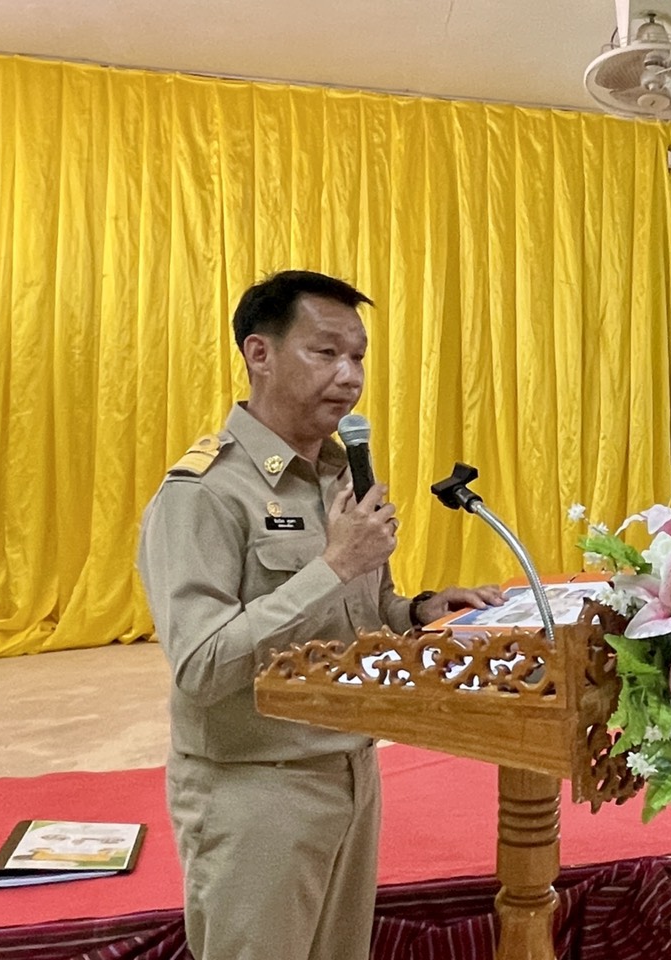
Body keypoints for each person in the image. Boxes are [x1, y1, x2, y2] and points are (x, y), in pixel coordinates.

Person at [137, 270, 505, 960]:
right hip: (256, 789)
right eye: (326, 352)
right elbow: (201, 665)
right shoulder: (204, 493)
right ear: (259, 353)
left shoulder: (342, 473)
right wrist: (332, 564)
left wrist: (417, 611)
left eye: (358, 356)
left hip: (351, 770)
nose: (349, 375)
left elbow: (356, 614)